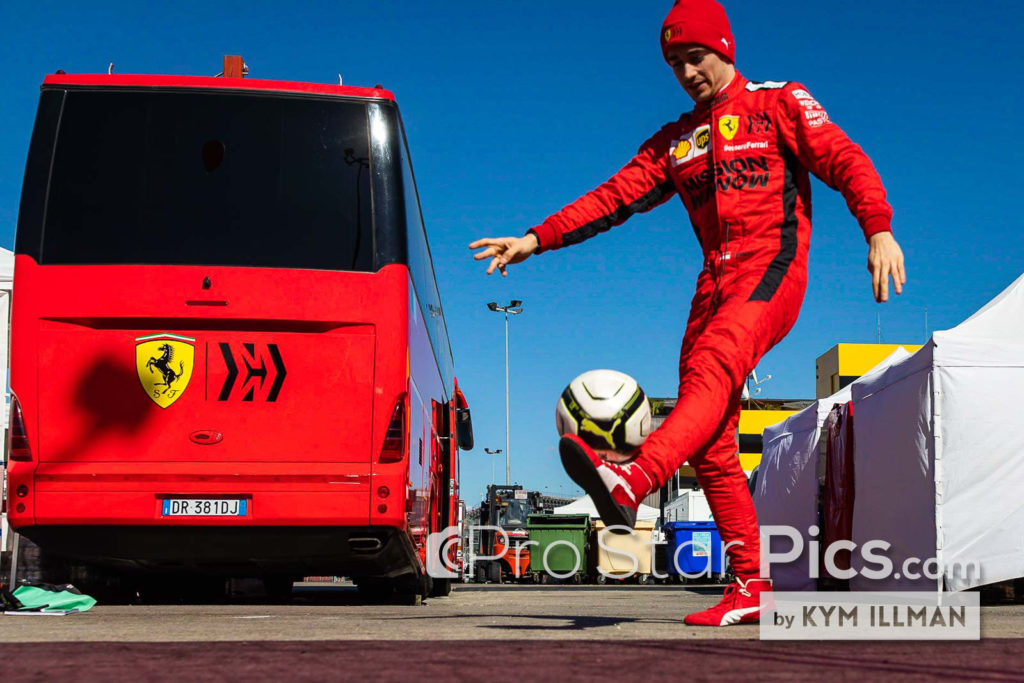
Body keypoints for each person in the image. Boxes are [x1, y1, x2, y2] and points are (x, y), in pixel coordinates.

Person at [470, 0, 905, 626]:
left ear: (725, 48)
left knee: (713, 368)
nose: (687, 71)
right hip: (712, 284)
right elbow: (612, 197)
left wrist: (878, 228)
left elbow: (844, 158)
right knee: (712, 445)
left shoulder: (779, 103)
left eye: (695, 56)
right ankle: (752, 583)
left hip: (770, 267)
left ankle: (635, 478)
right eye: (675, 63)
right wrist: (536, 239)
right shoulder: (678, 141)